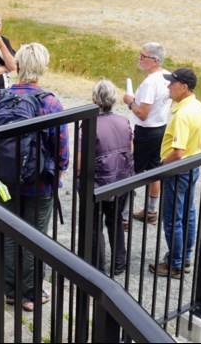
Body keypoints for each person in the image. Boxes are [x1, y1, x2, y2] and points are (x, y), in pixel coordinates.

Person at [0, 42, 69, 312]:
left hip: (5, 181)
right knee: (35, 237)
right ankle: (31, 294)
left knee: (8, 234)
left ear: (17, 65)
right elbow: (62, 150)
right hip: (40, 182)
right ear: (42, 68)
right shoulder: (50, 103)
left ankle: (9, 290)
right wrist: (58, 171)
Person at [149, 68, 201, 279]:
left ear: (183, 87)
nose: (169, 86)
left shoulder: (182, 115)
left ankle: (174, 265)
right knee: (188, 213)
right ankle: (184, 257)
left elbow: (178, 152)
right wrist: (195, 153)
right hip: (192, 165)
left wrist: (161, 165)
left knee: (172, 218)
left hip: (178, 169)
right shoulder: (198, 106)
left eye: (172, 83)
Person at [80, 79, 134, 277]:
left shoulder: (90, 125)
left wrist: (80, 177)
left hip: (97, 183)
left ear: (94, 100)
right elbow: (130, 149)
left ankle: (98, 267)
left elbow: (80, 160)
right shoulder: (123, 121)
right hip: (121, 180)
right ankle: (119, 262)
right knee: (116, 220)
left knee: (94, 226)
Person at [121, 43, 171, 227]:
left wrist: (129, 102)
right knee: (154, 170)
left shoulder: (150, 82)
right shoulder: (167, 76)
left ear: (155, 60)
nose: (140, 59)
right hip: (161, 128)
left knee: (131, 171)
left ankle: (124, 216)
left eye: (144, 56)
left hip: (146, 130)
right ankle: (151, 211)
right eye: (140, 54)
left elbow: (142, 113)